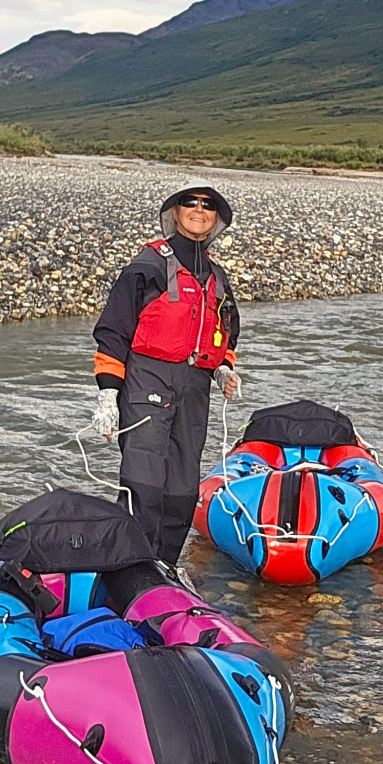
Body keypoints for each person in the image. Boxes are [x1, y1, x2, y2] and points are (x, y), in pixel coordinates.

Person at [90, 186, 242, 564]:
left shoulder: (217, 277)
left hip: (195, 387)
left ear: (216, 219)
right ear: (175, 212)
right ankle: (130, 565)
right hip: (148, 379)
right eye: (190, 202)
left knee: (183, 488)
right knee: (144, 481)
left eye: (208, 205)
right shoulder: (148, 265)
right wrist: (108, 395)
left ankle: (165, 566)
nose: (199, 210)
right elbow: (114, 329)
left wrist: (223, 368)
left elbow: (227, 330)